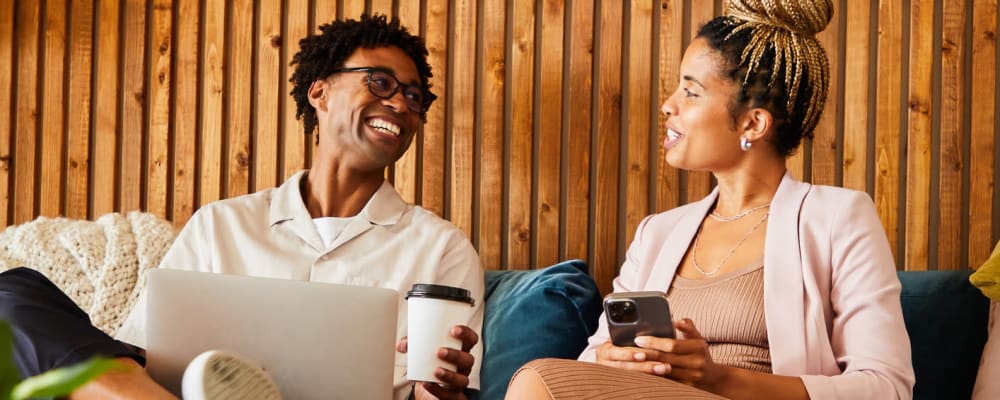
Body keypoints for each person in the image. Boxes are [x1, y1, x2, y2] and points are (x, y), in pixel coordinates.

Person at [0, 14, 483, 400]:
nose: (401, 103)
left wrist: (439, 391)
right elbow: (143, 352)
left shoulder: (441, 248)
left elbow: (436, 392)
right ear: (320, 91)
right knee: (12, 293)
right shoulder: (221, 225)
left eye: (415, 96)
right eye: (380, 83)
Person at [504, 0, 914, 399]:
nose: (669, 105)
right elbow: (588, 367)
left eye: (691, 93)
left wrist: (716, 379)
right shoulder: (657, 233)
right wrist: (611, 362)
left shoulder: (838, 217)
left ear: (752, 122)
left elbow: (885, 387)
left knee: (537, 378)